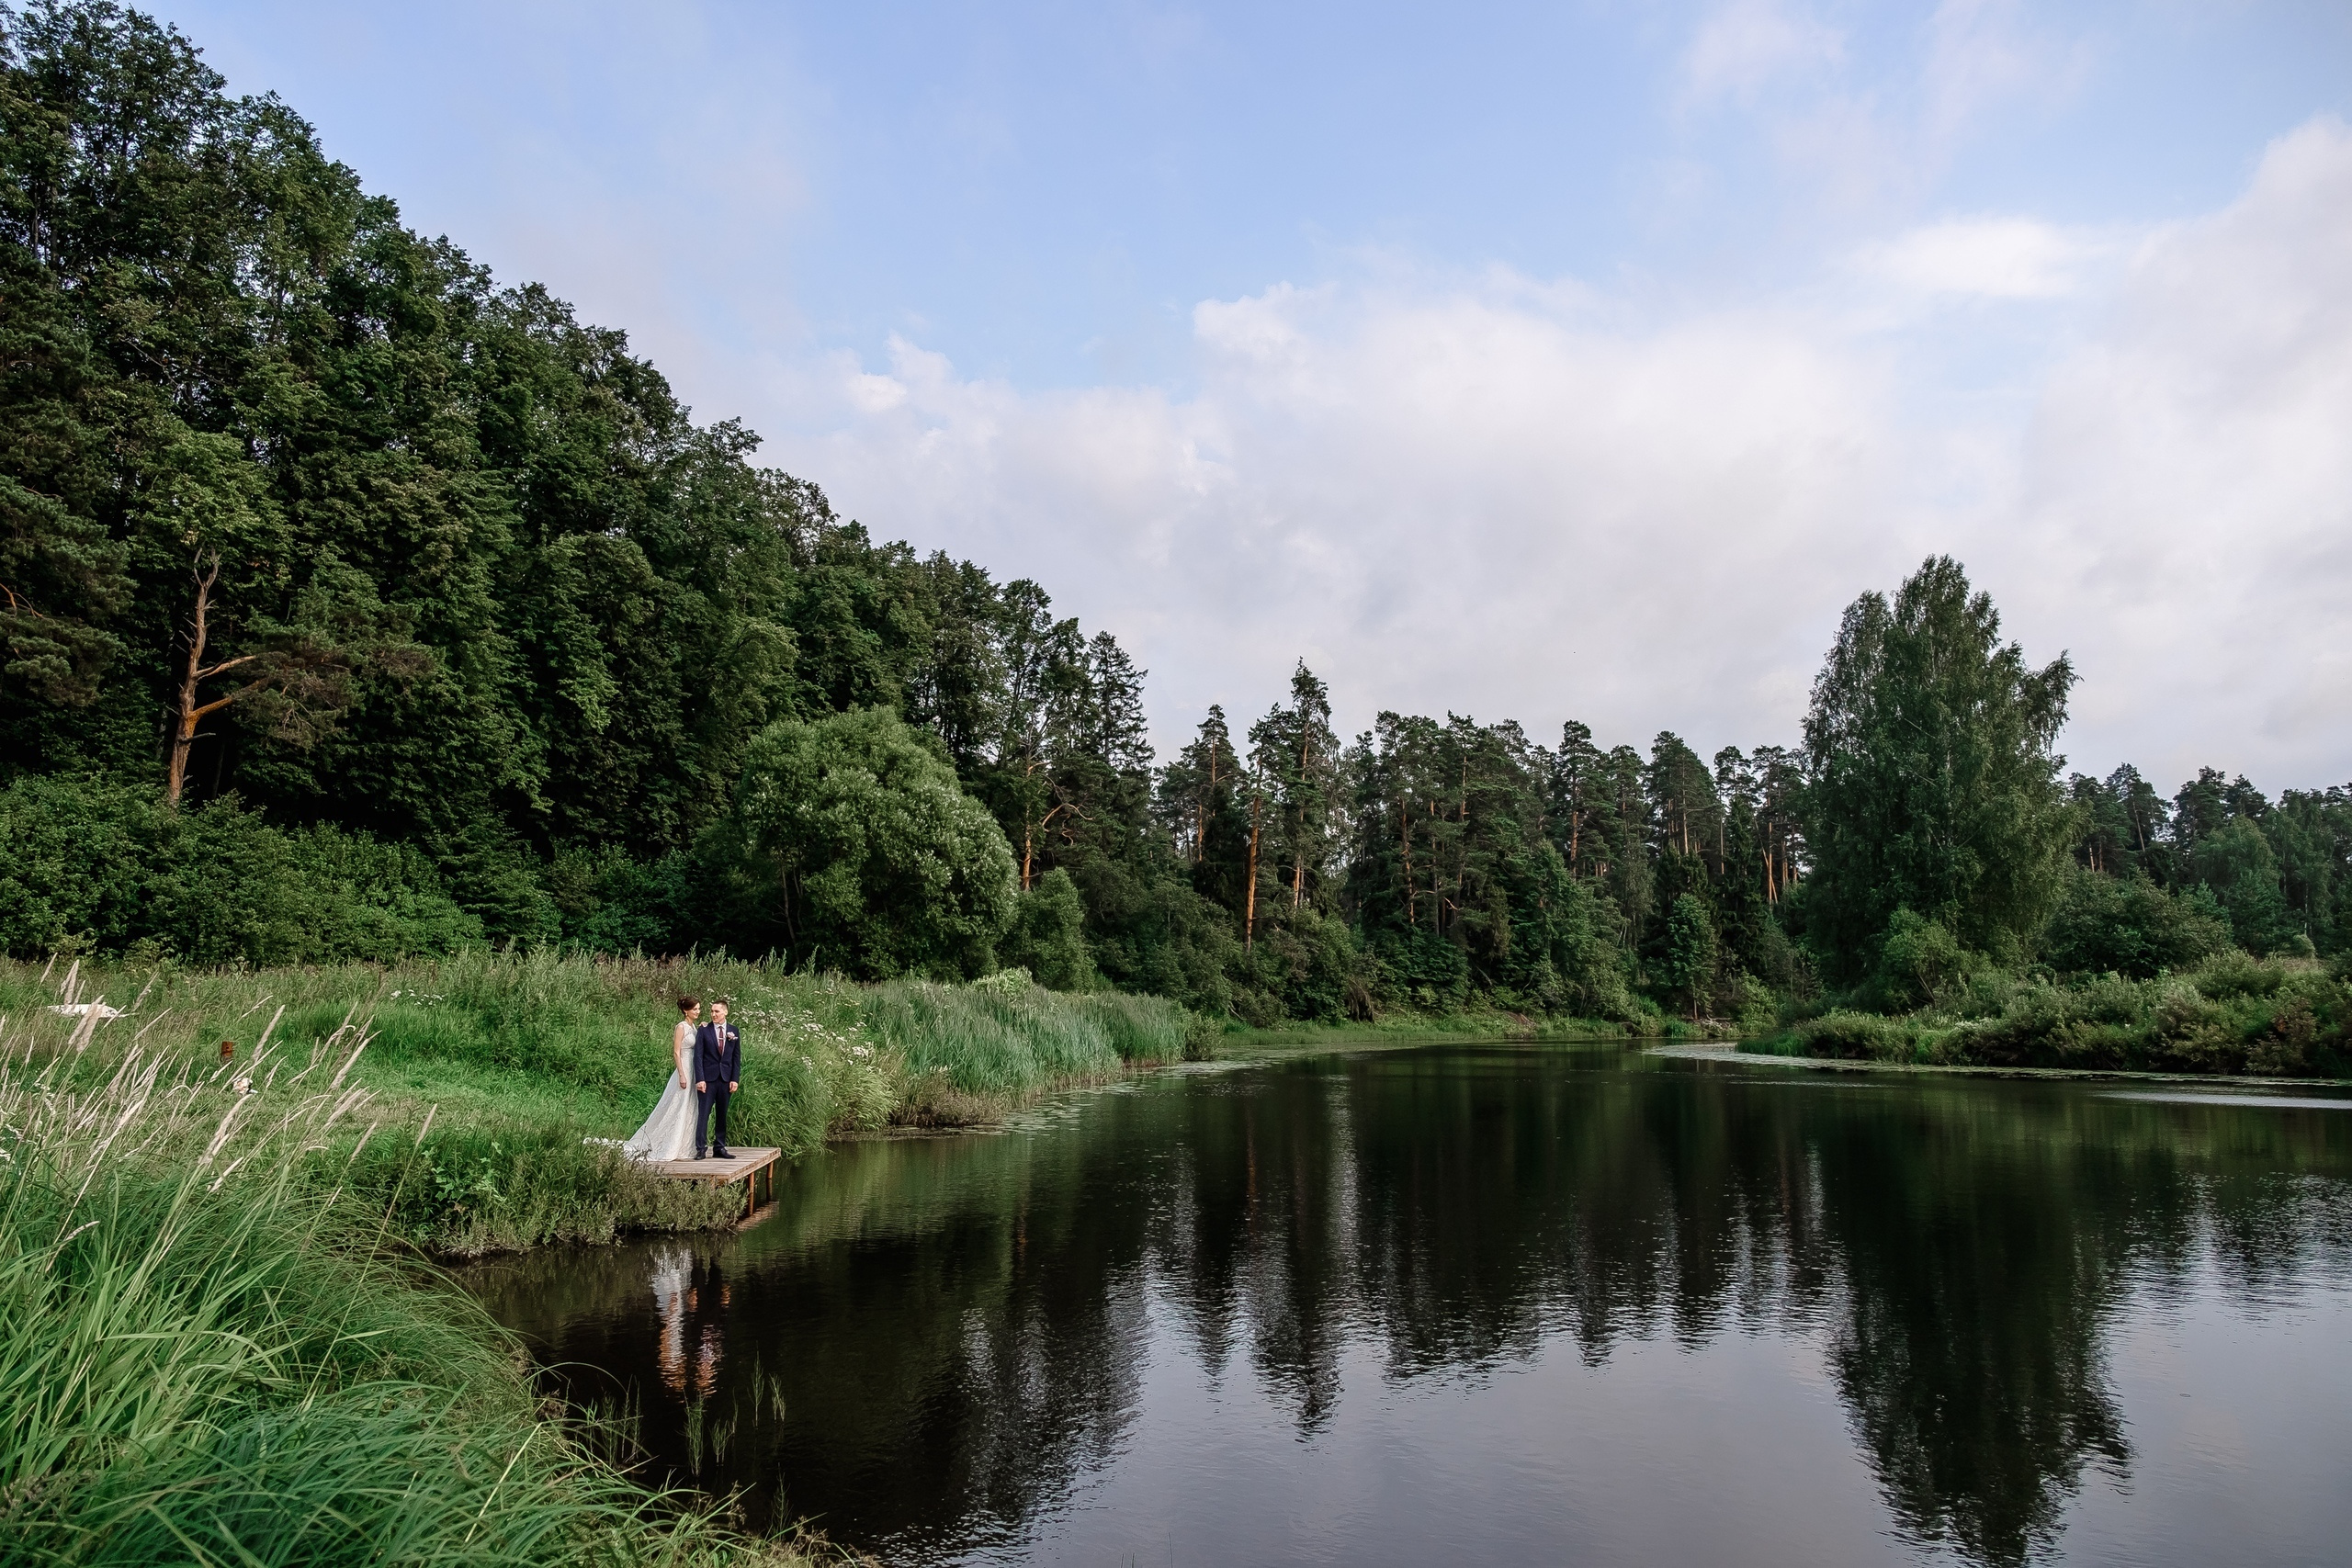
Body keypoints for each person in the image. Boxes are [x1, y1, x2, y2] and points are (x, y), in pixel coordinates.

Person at [623, 998, 701, 1161]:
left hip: (694, 1068)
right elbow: (676, 1052)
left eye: (698, 1009)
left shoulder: (693, 1027)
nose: (698, 1012)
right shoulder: (681, 1027)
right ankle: (666, 1143)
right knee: (677, 1105)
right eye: (695, 1009)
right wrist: (681, 1074)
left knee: (691, 1106)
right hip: (685, 1067)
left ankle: (685, 1146)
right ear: (686, 1011)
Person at [695, 998, 741, 1159]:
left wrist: (735, 1079)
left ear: (725, 1012)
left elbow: (736, 1057)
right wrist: (699, 1079)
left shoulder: (734, 1031)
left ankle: (719, 1147)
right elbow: (698, 1056)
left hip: (726, 1078)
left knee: (722, 1113)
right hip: (708, 1079)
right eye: (712, 1011)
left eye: (717, 1011)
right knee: (704, 1113)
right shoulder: (704, 1030)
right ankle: (701, 1148)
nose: (713, 1014)